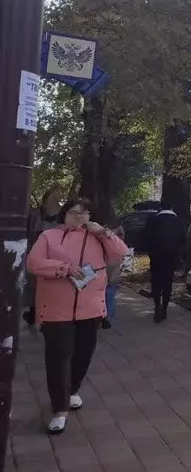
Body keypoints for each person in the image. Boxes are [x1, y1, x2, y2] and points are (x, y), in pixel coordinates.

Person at [26, 197, 127, 434]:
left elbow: (120, 253)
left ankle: (71, 391)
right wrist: (64, 268)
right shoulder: (49, 236)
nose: (79, 217)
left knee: (83, 354)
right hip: (56, 309)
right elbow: (33, 263)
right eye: (74, 212)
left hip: (90, 309)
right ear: (64, 214)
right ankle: (59, 410)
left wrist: (103, 232)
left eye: (84, 213)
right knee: (59, 357)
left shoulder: (98, 237)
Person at [23, 186, 63, 327]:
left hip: (54, 257)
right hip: (36, 254)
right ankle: (34, 313)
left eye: (58, 196)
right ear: (47, 198)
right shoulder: (35, 213)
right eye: (54, 195)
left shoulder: (63, 216)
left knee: (50, 288)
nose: (57, 199)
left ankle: (46, 319)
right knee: (35, 287)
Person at [145, 201, 186, 323]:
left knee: (156, 282)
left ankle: (157, 305)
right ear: (172, 207)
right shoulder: (178, 222)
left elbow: (146, 238)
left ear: (160, 208)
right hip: (171, 258)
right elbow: (184, 241)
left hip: (156, 258)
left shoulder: (153, 221)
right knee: (168, 283)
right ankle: (165, 309)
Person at [102, 226, 132, 330]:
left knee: (101, 293)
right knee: (110, 293)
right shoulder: (117, 227)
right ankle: (108, 318)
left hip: (102, 262)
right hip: (114, 262)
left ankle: (100, 316)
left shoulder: (96, 226)